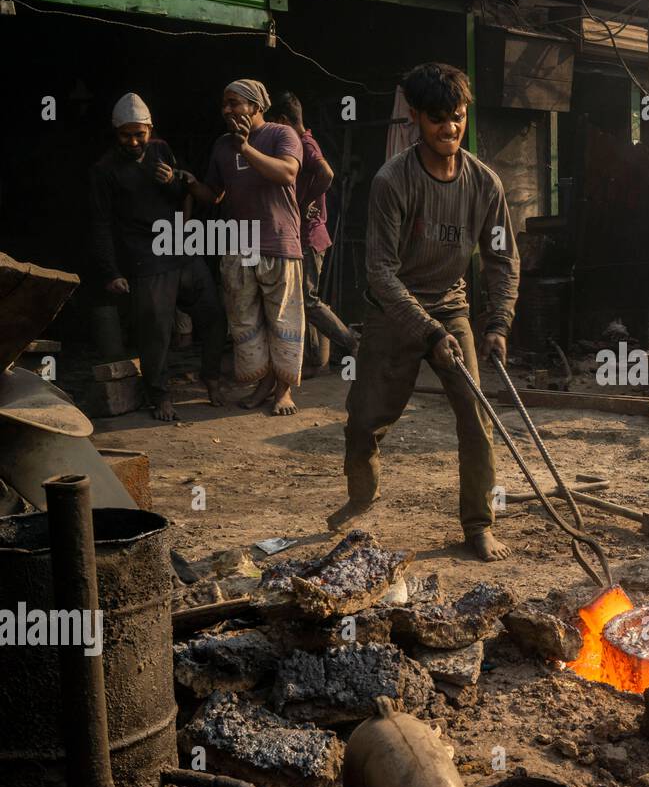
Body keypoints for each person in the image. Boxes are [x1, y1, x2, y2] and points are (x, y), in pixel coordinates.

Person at [327, 62, 520, 562]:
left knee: (477, 417)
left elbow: (502, 260)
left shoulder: (486, 184)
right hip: (393, 314)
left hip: (450, 306)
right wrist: (427, 331)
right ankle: (360, 495)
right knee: (365, 421)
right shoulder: (392, 182)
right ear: (414, 117)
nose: (450, 129)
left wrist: (498, 323)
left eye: (457, 117)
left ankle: (478, 523)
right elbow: (381, 274)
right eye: (437, 119)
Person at [89, 92, 227, 421]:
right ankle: (160, 393)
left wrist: (174, 181)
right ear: (116, 132)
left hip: (178, 248)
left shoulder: (161, 150)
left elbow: (182, 194)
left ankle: (212, 378)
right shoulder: (104, 170)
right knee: (156, 330)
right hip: (144, 257)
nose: (134, 141)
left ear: (150, 130)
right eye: (126, 135)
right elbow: (101, 224)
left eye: (140, 134)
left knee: (214, 316)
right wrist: (111, 271)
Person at [181, 78, 305, 416]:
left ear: (255, 106)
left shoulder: (282, 135)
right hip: (238, 246)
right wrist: (191, 184)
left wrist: (246, 149)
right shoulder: (222, 145)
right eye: (225, 104)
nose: (227, 110)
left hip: (278, 243)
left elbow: (287, 174)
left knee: (282, 319)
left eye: (234, 103)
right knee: (246, 320)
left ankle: (284, 391)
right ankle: (263, 384)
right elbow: (215, 194)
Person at [266, 92, 359, 375]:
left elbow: (327, 174)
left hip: (310, 237)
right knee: (306, 299)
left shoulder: (304, 144)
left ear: (282, 120)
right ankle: (316, 360)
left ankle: (352, 341)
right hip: (310, 235)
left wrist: (307, 201)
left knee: (307, 299)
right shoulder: (305, 140)